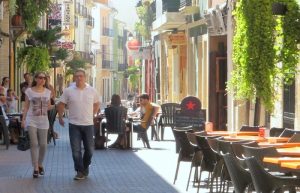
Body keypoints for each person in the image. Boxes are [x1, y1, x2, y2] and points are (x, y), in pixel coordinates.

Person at [57, 69, 100, 180]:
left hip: (88, 124)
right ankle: (80, 171)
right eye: (76, 76)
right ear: (74, 78)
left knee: (90, 150)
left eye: (81, 76)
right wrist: (60, 117)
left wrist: (93, 114)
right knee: (76, 150)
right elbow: (61, 104)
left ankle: (85, 167)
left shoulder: (92, 90)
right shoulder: (68, 91)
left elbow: (97, 103)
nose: (79, 78)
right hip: (74, 124)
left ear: (85, 77)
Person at [21, 72, 53, 178]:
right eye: (40, 77)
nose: (42, 79)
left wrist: (56, 106)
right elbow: (26, 106)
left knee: (43, 144)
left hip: (43, 121)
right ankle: (35, 167)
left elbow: (48, 106)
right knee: (34, 143)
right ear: (36, 79)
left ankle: (40, 164)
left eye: (44, 78)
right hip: (31, 120)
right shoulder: (29, 91)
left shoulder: (48, 92)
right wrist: (23, 119)